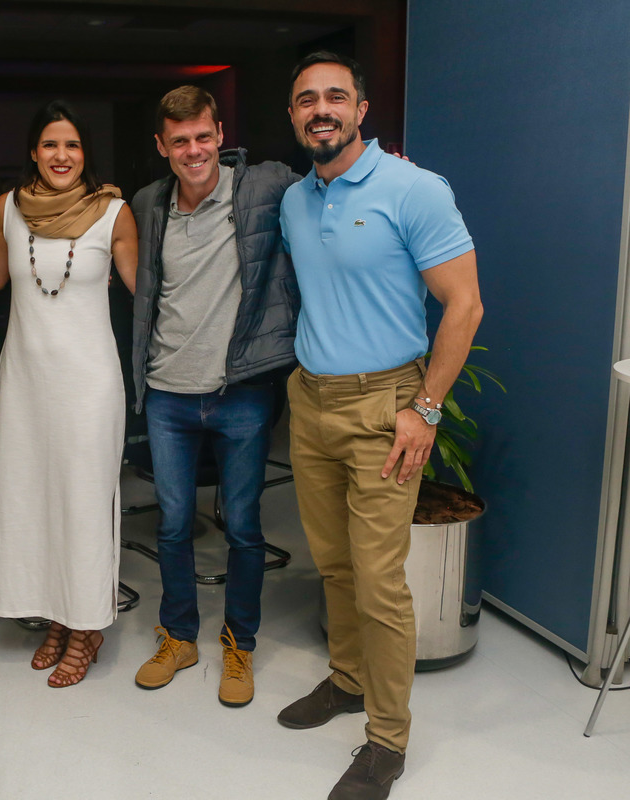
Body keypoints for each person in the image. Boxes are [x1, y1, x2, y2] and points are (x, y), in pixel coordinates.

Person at [278, 52, 483, 800]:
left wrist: (424, 410)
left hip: (385, 408)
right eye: (307, 100)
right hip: (311, 400)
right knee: (332, 564)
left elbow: (465, 305)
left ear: (363, 109)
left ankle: (387, 740)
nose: (321, 109)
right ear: (294, 116)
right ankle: (346, 678)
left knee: (379, 581)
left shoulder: (413, 188)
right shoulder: (296, 200)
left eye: (336, 96)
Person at [129, 86, 299, 707]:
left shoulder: (265, 186)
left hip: (241, 393)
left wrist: (398, 169)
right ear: (161, 146)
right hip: (169, 393)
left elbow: (337, 180)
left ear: (219, 134)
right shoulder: (149, 204)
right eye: (180, 141)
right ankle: (178, 636)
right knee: (173, 526)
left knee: (245, 527)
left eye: (203, 136)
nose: (193, 150)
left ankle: (239, 642)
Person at [0, 100, 137, 687]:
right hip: (24, 381)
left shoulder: (113, 212)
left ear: (85, 154)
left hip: (88, 385)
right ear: (33, 151)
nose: (61, 156)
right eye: (51, 144)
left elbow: (147, 291)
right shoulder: (6, 211)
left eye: (72, 145)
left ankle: (88, 626)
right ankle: (57, 614)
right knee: (32, 500)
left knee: (83, 501)